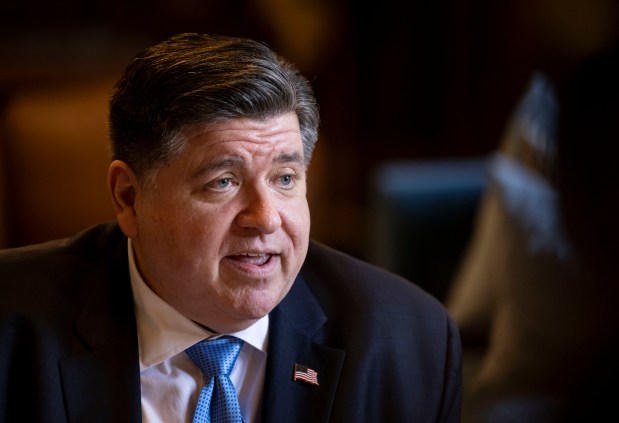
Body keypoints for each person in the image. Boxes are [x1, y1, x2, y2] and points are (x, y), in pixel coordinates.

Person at [0, 33, 461, 422]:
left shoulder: (409, 343)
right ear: (129, 197)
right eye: (223, 182)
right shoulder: (12, 336)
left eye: (285, 179)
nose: (264, 218)